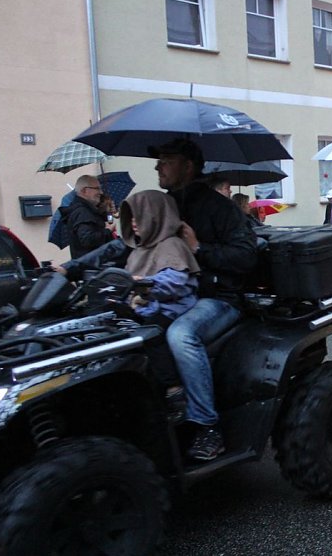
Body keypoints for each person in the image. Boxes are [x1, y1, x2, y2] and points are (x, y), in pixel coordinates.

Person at [62, 138, 258, 461]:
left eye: (166, 160)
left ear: (188, 165)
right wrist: (69, 269)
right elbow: (122, 247)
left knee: (181, 335)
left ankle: (207, 426)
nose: (158, 166)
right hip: (169, 297)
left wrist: (198, 249)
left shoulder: (219, 208)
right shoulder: (160, 205)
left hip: (217, 297)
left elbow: (246, 256)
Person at [119, 190, 200, 422]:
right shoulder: (140, 250)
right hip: (145, 308)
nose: (133, 223)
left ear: (155, 215)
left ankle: (174, 389)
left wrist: (142, 284)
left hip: (172, 310)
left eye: (138, 216)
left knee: (150, 334)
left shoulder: (172, 245)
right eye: (130, 218)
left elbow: (173, 284)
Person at [60, 174, 117, 259]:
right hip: (93, 268)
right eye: (97, 188)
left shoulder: (87, 211)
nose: (101, 192)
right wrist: (107, 231)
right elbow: (88, 240)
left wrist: (106, 212)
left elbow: (96, 225)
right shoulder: (82, 212)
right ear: (84, 191)